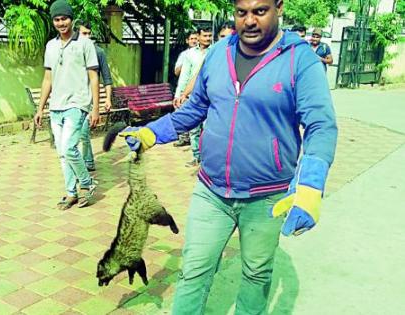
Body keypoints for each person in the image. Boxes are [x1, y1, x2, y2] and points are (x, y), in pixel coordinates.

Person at [120, 0, 338, 313]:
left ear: (279, 7)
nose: (249, 21)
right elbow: (196, 107)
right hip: (211, 193)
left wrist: (311, 185)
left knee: (256, 274)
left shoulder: (300, 60)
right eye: (241, 12)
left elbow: (321, 125)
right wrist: (152, 133)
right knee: (193, 271)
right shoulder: (219, 53)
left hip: (266, 198)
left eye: (260, 11)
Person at [34, 0, 99, 210]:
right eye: (57, 19)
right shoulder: (51, 46)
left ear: (71, 19)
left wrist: (95, 107)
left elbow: (93, 76)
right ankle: (71, 192)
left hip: (77, 104)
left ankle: (87, 185)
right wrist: (40, 108)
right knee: (62, 153)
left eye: (64, 18)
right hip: (56, 107)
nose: (61, 23)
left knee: (70, 148)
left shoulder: (85, 44)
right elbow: (47, 79)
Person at [77, 20, 114, 172]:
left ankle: (88, 162)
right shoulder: (71, 50)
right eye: (82, 33)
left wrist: (108, 99)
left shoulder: (98, 52)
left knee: (84, 132)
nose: (86, 36)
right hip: (74, 99)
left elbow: (107, 78)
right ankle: (86, 160)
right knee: (77, 134)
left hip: (90, 99)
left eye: (88, 33)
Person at [174, 26, 213, 167]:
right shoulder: (189, 54)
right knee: (194, 129)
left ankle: (208, 160)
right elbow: (184, 76)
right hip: (192, 96)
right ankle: (196, 157)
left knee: (208, 129)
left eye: (210, 36)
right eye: (205, 36)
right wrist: (179, 94)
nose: (208, 38)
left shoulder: (215, 52)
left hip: (210, 96)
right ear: (199, 36)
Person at [173, 30, 198, 147]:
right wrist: (186, 65)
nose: (194, 41)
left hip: (197, 90)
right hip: (184, 88)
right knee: (181, 113)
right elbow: (176, 72)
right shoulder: (184, 55)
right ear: (187, 41)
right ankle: (183, 138)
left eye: (195, 38)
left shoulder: (205, 52)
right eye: (191, 39)